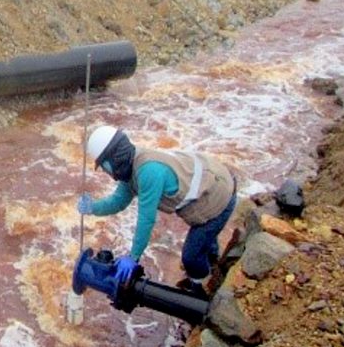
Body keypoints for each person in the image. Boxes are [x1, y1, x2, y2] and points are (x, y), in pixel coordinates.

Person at [76, 126, 237, 299]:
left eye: (104, 166)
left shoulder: (148, 172)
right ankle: (212, 264)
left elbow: (146, 219)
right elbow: (118, 201)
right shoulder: (131, 166)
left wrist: (133, 257)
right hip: (210, 183)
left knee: (191, 257)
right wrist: (93, 207)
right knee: (204, 247)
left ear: (114, 158)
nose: (105, 171)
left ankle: (205, 292)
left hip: (218, 194)